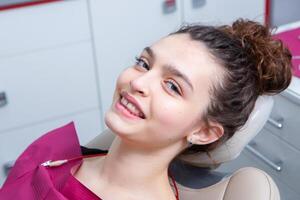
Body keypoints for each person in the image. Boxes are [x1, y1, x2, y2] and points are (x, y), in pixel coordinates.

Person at [0, 19, 292, 200]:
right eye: (143, 63)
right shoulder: (53, 158)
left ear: (203, 131)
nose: (138, 81)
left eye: (173, 86)